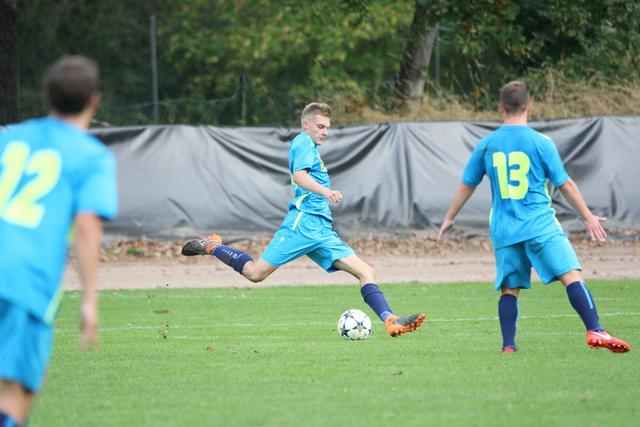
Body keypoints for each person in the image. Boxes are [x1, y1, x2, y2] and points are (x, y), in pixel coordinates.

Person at [182, 102, 425, 337]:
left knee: (366, 271)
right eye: (320, 126)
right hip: (302, 224)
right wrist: (325, 192)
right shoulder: (302, 142)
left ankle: (391, 321)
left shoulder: (312, 148)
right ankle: (213, 246)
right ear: (306, 125)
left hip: (321, 229)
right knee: (255, 274)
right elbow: (299, 177)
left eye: (327, 127)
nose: (325, 132)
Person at [437, 80, 630, 353]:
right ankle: (596, 329)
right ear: (529, 106)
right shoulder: (541, 142)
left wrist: (449, 218)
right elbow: (564, 183)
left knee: (509, 289)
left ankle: (508, 346)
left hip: (504, 229)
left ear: (500, 107)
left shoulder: (487, 145)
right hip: (540, 224)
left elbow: (467, 184)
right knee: (571, 276)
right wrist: (587, 216)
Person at [0, 55, 118, 426]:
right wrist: (89, 301)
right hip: (22, 280)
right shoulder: (90, 155)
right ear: (94, 100)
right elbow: (86, 226)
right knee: (15, 396)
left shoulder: (10, 137)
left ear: (47, 96)